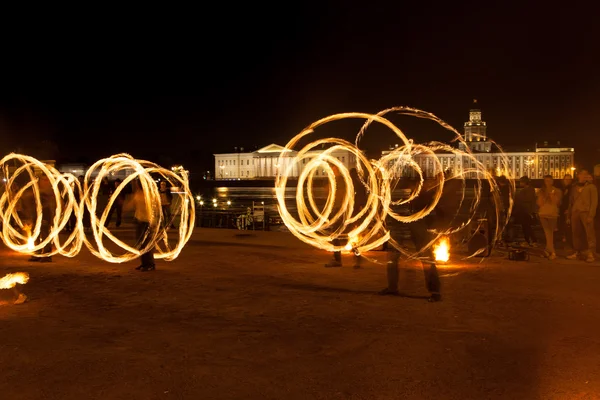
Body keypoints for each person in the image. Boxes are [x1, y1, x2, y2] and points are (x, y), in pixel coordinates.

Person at [379, 178, 442, 302]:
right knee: (392, 256)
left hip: (415, 221)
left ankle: (435, 291)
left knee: (425, 255)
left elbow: (427, 201)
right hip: (398, 222)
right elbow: (387, 203)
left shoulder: (412, 181)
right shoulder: (392, 182)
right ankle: (392, 287)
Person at [124, 179, 156, 271]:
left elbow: (154, 208)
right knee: (140, 244)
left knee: (146, 244)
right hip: (138, 221)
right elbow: (131, 205)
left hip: (146, 222)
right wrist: (124, 204)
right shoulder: (138, 194)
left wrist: (154, 222)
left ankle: (150, 264)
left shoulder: (148, 195)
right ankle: (144, 263)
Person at [567, 169, 598, 262]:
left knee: (589, 234)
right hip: (575, 212)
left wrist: (591, 215)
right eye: (582, 174)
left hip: (586, 212)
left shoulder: (591, 187)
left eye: (586, 174)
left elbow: (594, 202)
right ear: (578, 176)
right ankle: (577, 251)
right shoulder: (574, 187)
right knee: (576, 233)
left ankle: (591, 253)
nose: (584, 176)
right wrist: (569, 214)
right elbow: (570, 202)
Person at [28, 175, 56, 263]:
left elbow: (50, 202)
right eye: (42, 179)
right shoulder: (37, 189)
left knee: (44, 235)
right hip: (36, 214)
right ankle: (37, 253)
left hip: (45, 214)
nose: (44, 181)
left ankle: (47, 255)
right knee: (35, 234)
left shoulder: (49, 190)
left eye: (46, 180)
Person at [537, 175, 562, 259]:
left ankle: (552, 251)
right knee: (547, 233)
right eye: (546, 180)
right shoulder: (541, 191)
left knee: (550, 233)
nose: (548, 182)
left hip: (552, 214)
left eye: (549, 180)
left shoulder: (557, 191)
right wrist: (542, 198)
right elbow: (539, 204)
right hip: (543, 213)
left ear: (552, 181)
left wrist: (552, 196)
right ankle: (549, 251)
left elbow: (557, 203)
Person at [513, 176, 537, 246]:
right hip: (524, 211)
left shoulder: (528, 190)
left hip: (526, 211)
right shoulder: (528, 190)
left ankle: (532, 240)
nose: (520, 183)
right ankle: (529, 240)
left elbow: (526, 200)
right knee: (525, 226)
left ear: (525, 182)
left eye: (521, 182)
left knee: (527, 226)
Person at [559, 174, 573, 248]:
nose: (567, 181)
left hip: (568, 209)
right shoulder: (562, 189)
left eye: (569, 179)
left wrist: (569, 209)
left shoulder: (572, 189)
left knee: (568, 225)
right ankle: (564, 237)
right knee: (563, 225)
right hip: (562, 209)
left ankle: (569, 241)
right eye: (566, 179)